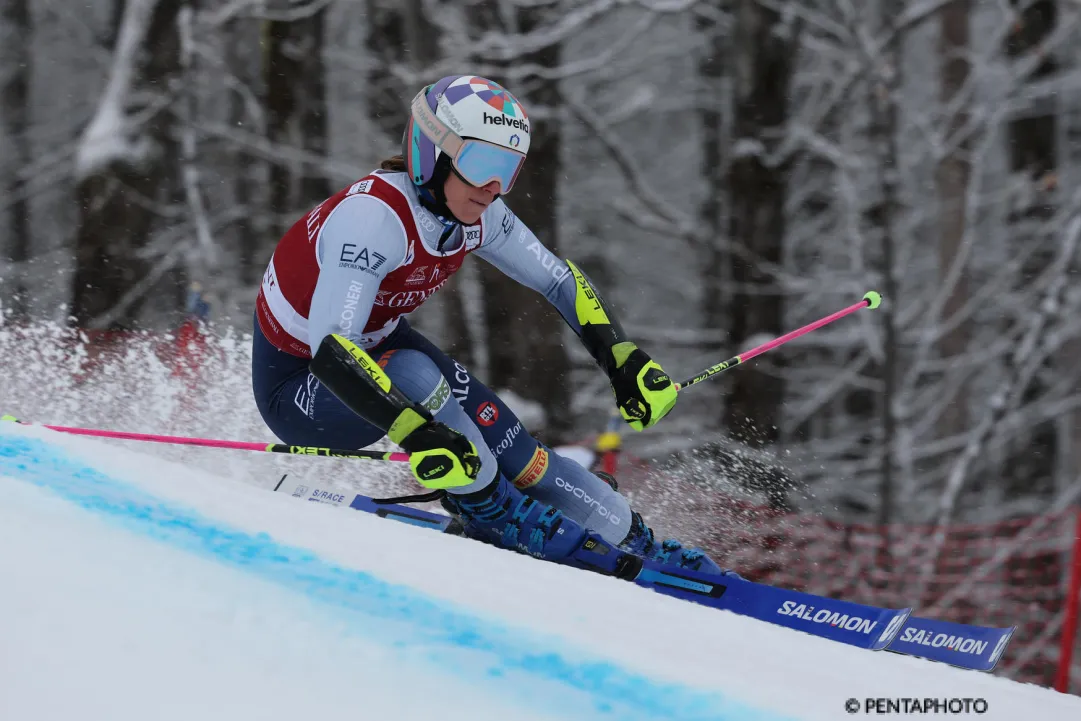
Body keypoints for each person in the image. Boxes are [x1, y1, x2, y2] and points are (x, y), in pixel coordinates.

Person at [251, 74, 723, 574]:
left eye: (508, 169)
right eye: (482, 165)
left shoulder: (479, 213)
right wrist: (418, 431)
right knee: (418, 377)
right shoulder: (372, 219)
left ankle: (639, 543)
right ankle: (491, 511)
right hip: (304, 385)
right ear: (433, 153)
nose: (494, 187)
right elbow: (332, 352)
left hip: (381, 353)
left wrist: (621, 359)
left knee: (520, 453)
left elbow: (558, 280)